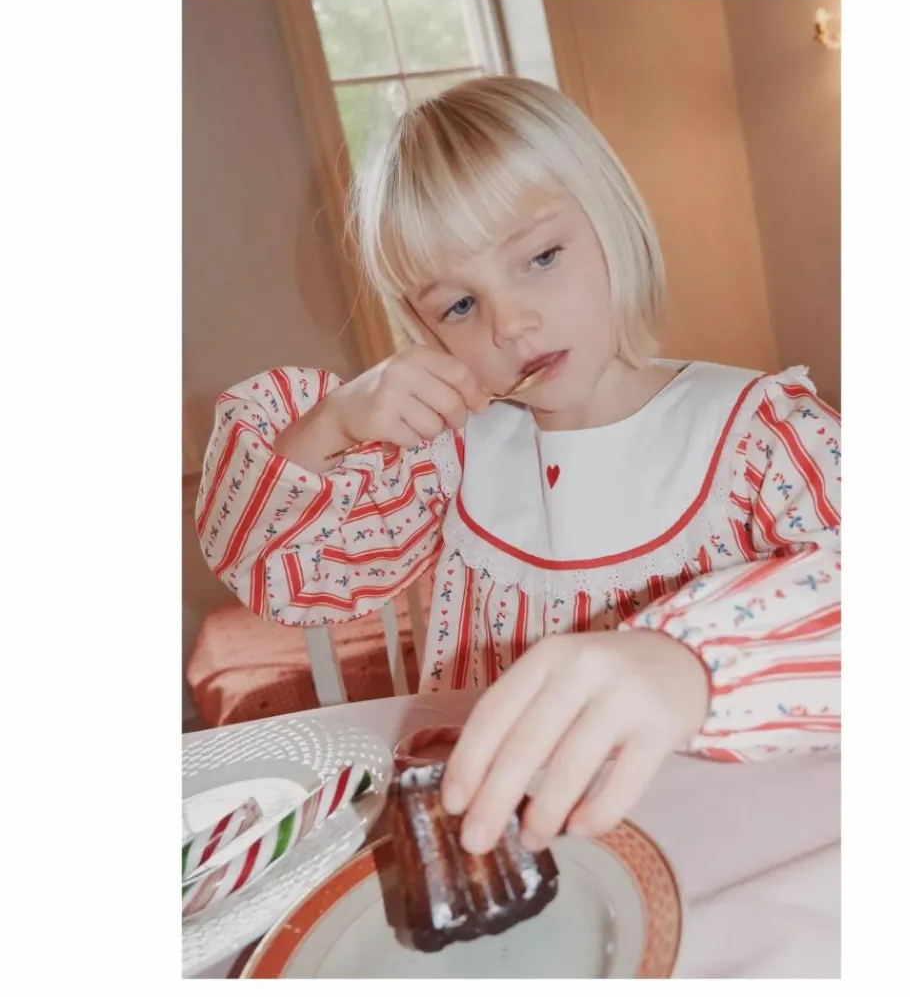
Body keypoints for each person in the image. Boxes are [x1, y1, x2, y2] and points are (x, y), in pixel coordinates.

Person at [196, 76, 840, 859]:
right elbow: (277, 569)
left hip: (729, 854)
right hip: (522, 857)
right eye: (460, 306)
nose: (510, 323)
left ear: (611, 222)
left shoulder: (759, 434)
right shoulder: (451, 457)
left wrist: (693, 666)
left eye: (540, 257)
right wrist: (329, 423)